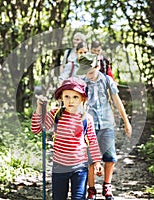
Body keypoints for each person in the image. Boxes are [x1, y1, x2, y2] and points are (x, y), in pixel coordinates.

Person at [31, 77, 103, 200]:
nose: (71, 101)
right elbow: (36, 129)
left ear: (82, 99)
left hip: (79, 167)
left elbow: (92, 140)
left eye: (75, 97)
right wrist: (39, 109)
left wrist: (96, 161)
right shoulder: (56, 115)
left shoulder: (86, 118)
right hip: (59, 166)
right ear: (61, 98)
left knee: (79, 197)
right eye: (67, 96)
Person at [77, 53, 132, 200]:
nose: (87, 75)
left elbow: (117, 101)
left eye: (89, 71)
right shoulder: (81, 82)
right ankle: (91, 188)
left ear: (97, 67)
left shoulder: (106, 80)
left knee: (110, 157)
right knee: (89, 159)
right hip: (88, 125)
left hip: (106, 123)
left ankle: (107, 186)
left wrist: (126, 122)